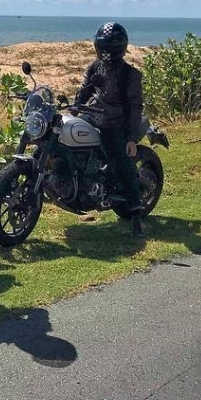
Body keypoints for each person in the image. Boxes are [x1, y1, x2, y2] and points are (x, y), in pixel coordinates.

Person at [74, 21, 146, 238]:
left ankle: (136, 213)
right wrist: (75, 105)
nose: (106, 52)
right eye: (103, 47)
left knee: (123, 163)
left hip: (116, 123)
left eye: (110, 48)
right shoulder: (95, 67)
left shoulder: (130, 74)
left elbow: (135, 106)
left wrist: (131, 138)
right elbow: (86, 90)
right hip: (93, 116)